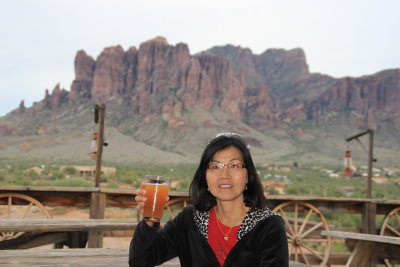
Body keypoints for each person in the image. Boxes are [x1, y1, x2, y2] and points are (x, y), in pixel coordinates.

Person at [129, 133, 288, 267]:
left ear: (247, 176)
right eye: (215, 167)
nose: (224, 175)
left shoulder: (268, 226)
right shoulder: (190, 220)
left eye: (234, 166)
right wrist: (150, 220)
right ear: (205, 177)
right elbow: (141, 261)